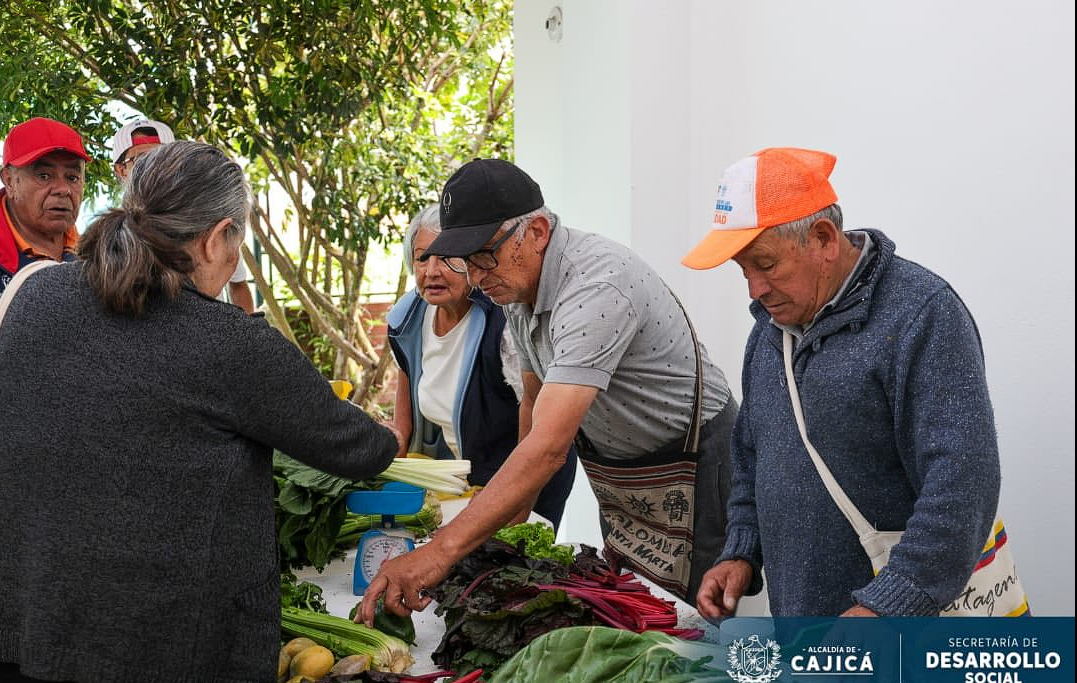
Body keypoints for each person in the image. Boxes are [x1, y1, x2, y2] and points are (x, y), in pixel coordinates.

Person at [0, 141, 399, 683]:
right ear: (217, 238)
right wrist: (394, 432)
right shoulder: (230, 343)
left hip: (26, 636)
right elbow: (360, 449)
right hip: (160, 666)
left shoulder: (32, 294)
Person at [359, 158, 737, 623]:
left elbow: (546, 448)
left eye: (484, 255)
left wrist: (439, 553)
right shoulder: (518, 291)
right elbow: (534, 406)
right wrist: (507, 531)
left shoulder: (596, 288)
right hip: (622, 474)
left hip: (693, 463)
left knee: (703, 628)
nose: (475, 278)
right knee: (641, 616)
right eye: (466, 260)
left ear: (536, 231)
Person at [683, 147, 1002, 617]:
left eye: (766, 264)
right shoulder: (768, 334)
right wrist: (741, 551)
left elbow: (963, 484)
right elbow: (754, 458)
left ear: (824, 239)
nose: (754, 289)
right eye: (742, 269)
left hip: (903, 638)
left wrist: (886, 607)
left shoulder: (924, 314)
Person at [388, 204, 576, 530]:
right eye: (422, 258)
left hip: (526, 475)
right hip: (462, 489)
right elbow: (403, 426)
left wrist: (508, 507)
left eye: (447, 258)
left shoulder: (503, 322)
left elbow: (536, 418)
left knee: (517, 568)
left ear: (473, 261)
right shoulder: (407, 319)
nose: (432, 270)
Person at [112, 118, 256, 313]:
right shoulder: (113, 239)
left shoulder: (209, 218)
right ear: (121, 170)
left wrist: (242, 334)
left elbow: (238, 284)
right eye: (141, 159)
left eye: (161, 157)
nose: (152, 167)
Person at [1, 117, 89, 294]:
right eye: (44, 176)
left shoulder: (98, 258)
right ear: (9, 182)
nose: (63, 190)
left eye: (72, 178)